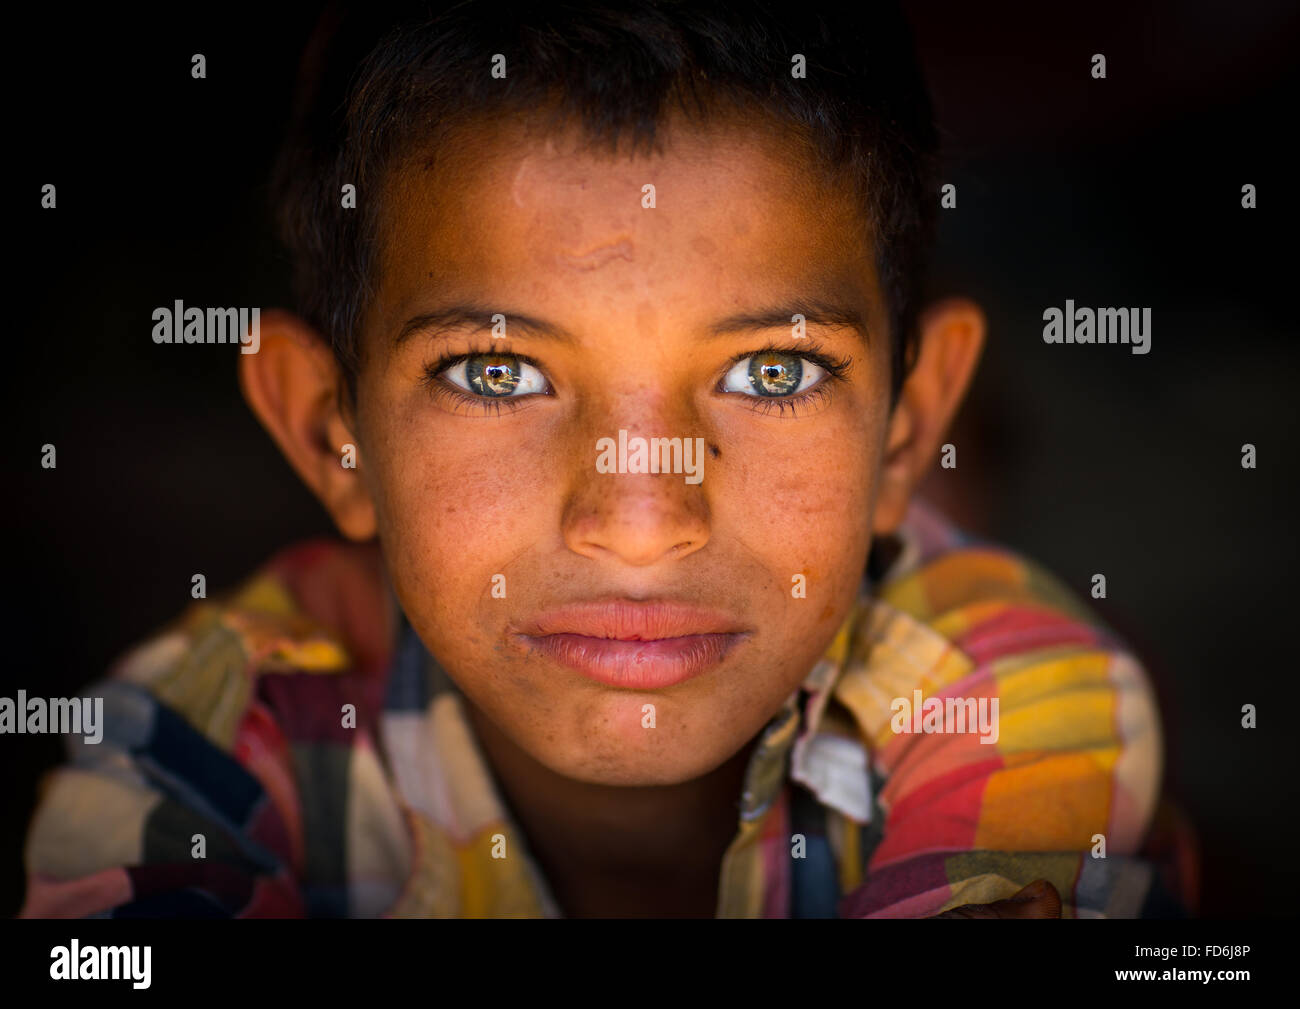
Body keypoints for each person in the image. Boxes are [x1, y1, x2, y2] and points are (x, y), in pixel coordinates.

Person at [20, 1, 1188, 918]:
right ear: (332, 431)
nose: (638, 522)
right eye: (496, 373)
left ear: (905, 426)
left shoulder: (1008, 692)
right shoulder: (203, 736)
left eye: (772, 373)